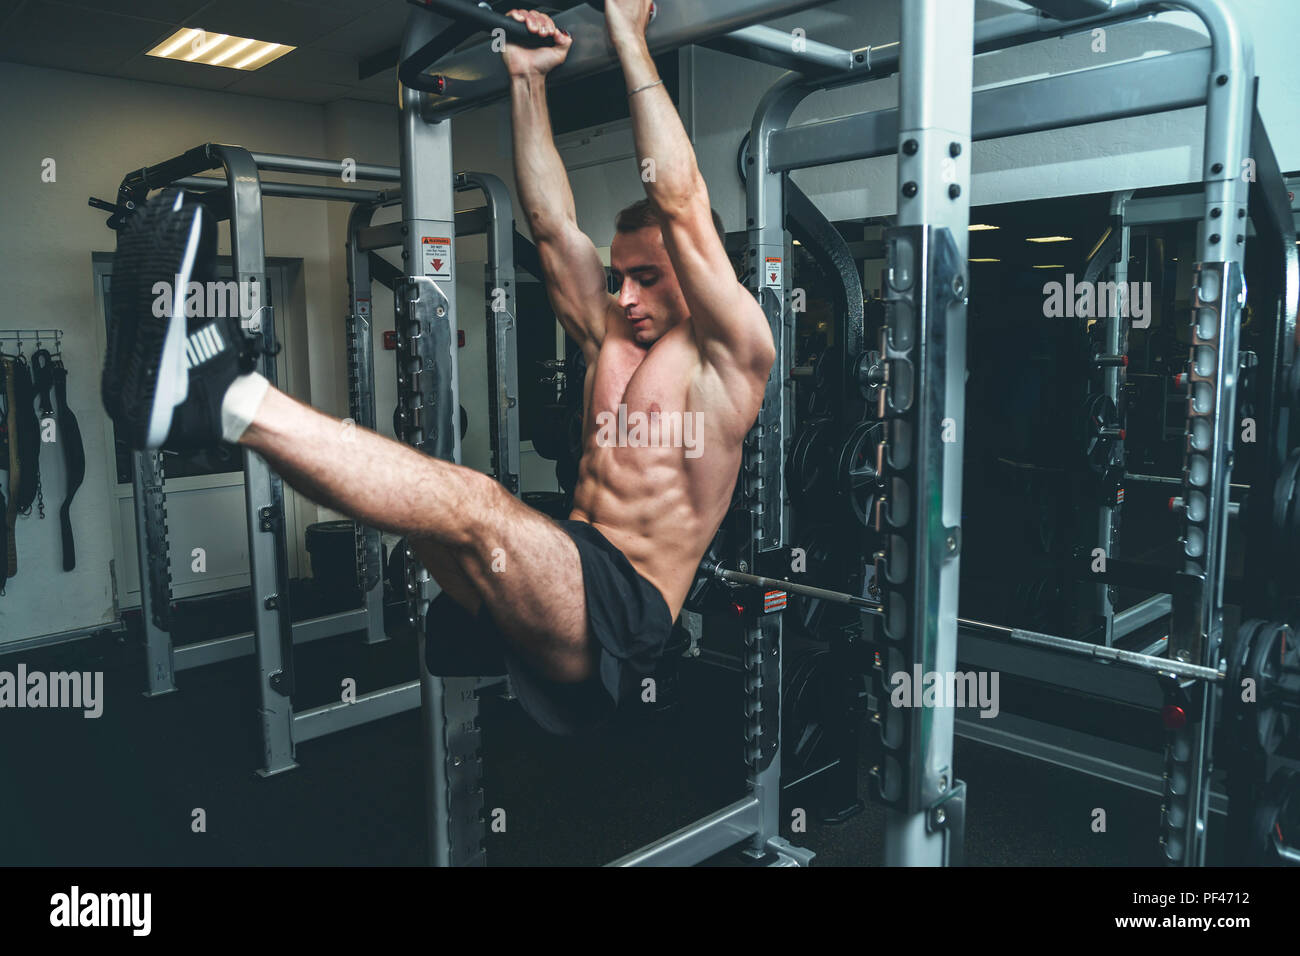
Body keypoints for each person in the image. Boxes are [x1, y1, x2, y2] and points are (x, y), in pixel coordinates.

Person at [101, 0, 775, 734]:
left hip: (625, 609)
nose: (626, 294)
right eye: (619, 277)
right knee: (421, 504)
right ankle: (204, 403)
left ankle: (218, 395)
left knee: (477, 502)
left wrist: (628, 37)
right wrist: (526, 81)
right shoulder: (609, 337)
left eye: (647, 276)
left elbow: (680, 200)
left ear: (695, 268)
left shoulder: (730, 356)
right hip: (569, 566)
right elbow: (550, 228)